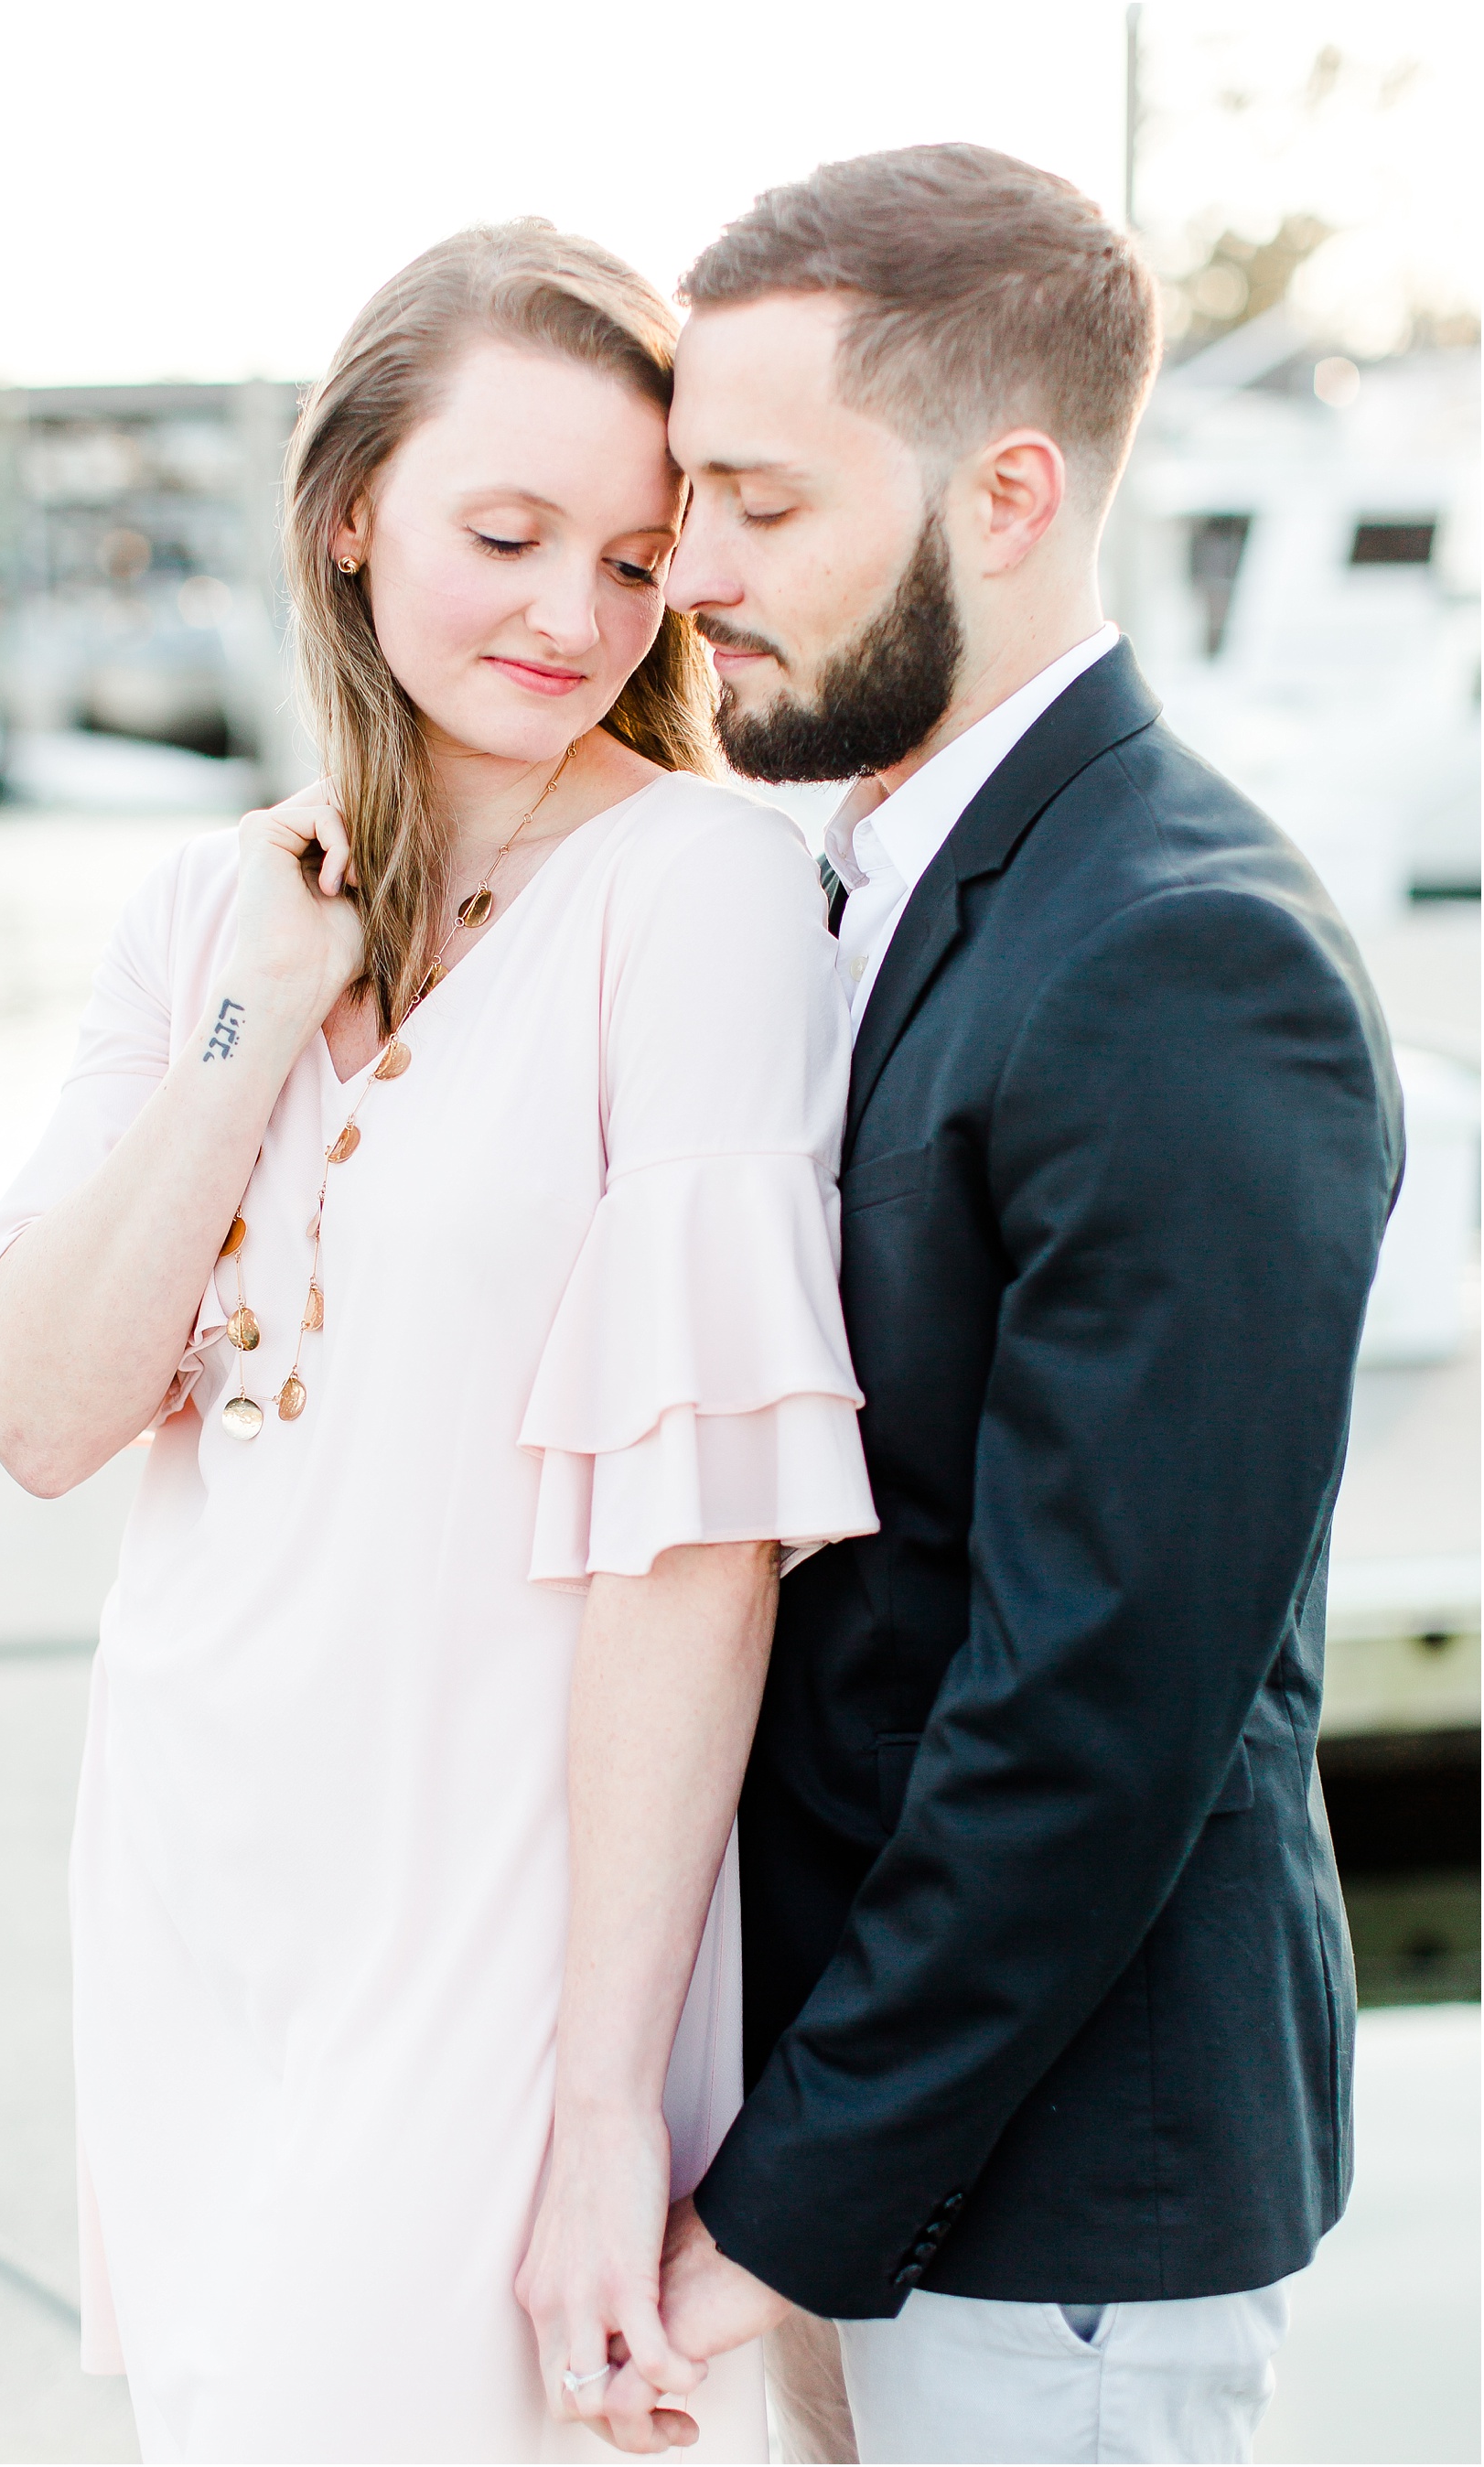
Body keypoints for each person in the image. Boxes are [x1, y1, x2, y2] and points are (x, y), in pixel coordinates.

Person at [0, 221, 877, 2464]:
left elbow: (703, 1544)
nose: (573, 614)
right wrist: (252, 1023)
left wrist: (600, 2115)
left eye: (637, 560)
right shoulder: (206, 913)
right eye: (507, 533)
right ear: (350, 510)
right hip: (207, 1890)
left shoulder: (707, 892)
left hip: (503, 1919)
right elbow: (54, 1414)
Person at [600, 145, 1399, 2465]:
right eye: (690, 495)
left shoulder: (1182, 956)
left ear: (1012, 490)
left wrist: (784, 2207)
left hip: (1049, 2207)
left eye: (757, 499)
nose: (695, 573)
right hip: (851, 2149)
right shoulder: (852, 876)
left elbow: (1094, 1708)